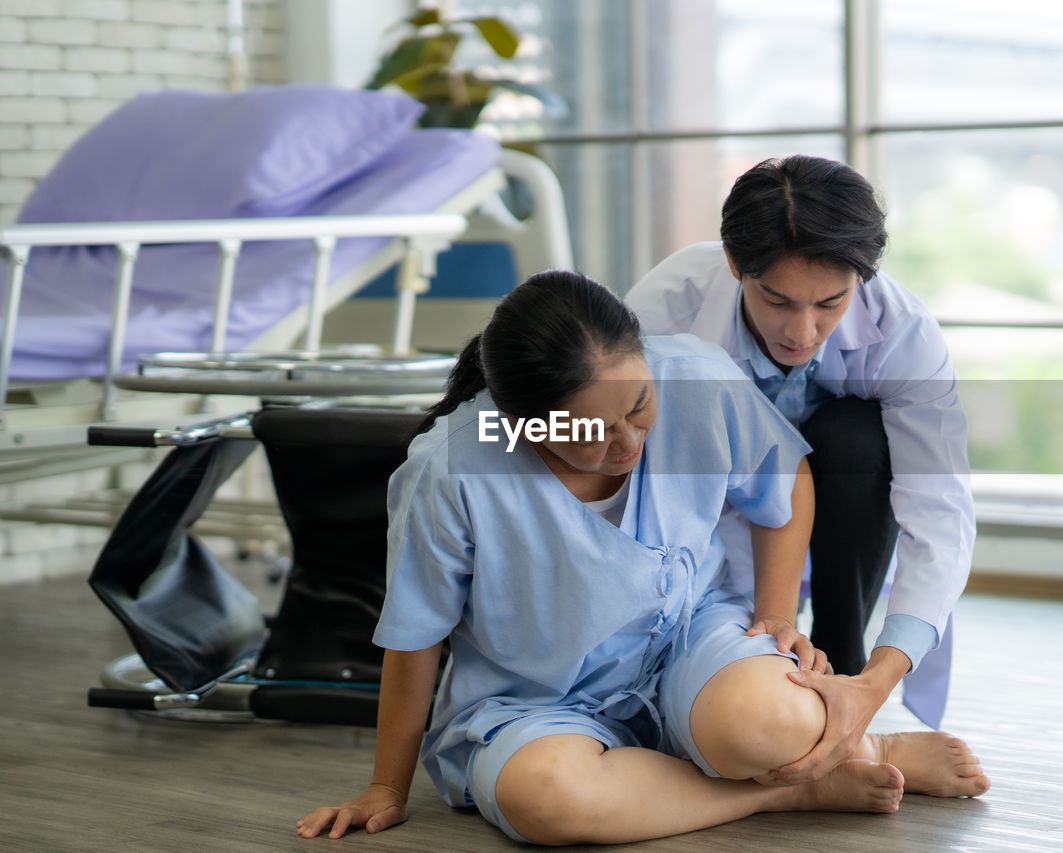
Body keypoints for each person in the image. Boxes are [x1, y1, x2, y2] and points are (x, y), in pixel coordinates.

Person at [297, 271, 987, 844]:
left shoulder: (693, 375)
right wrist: (386, 784)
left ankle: (860, 749)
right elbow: (417, 638)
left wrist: (776, 616)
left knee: (776, 719)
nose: (627, 443)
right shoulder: (450, 471)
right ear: (521, 423)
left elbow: (787, 477)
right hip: (532, 702)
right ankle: (782, 792)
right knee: (549, 799)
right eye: (591, 432)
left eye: (639, 405)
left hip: (689, 642)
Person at [625, 154, 975, 784]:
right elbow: (621, 464)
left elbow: (940, 511)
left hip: (843, 504)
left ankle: (846, 688)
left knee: (855, 437)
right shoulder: (663, 315)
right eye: (777, 301)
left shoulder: (903, 331)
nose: (802, 331)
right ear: (736, 265)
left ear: (862, 278)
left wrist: (878, 679)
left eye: (831, 303)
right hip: (708, 519)